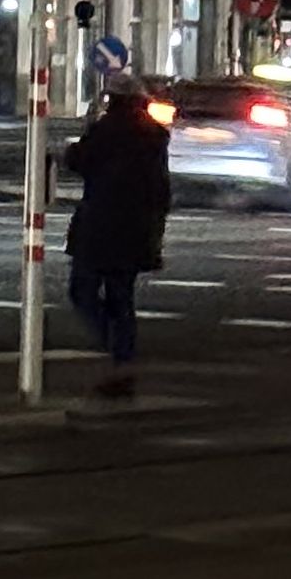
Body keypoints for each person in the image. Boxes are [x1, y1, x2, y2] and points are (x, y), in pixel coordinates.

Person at [64, 72, 172, 392]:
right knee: (121, 298)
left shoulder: (106, 130)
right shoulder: (153, 136)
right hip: (136, 229)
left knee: (82, 291)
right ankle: (122, 361)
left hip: (101, 225)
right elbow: (161, 190)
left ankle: (113, 348)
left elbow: (79, 160)